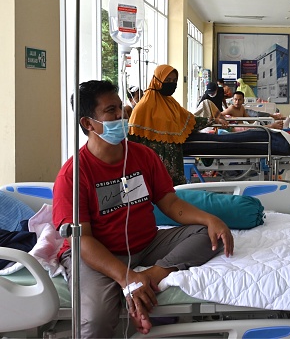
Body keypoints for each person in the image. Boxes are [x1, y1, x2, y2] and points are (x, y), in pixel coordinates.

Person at [52, 80, 234, 338]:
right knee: (96, 320)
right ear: (88, 123)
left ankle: (154, 274)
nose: (122, 115)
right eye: (111, 110)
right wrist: (125, 277)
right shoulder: (73, 175)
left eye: (121, 108)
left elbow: (170, 203)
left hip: (146, 243)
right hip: (95, 252)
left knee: (208, 235)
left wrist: (211, 219)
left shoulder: (143, 156)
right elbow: (82, 241)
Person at [128, 64, 196, 186]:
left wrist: (214, 120)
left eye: (174, 81)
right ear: (157, 80)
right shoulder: (143, 106)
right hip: (155, 161)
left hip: (175, 159)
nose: (172, 83)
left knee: (176, 194)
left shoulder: (171, 102)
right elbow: (133, 139)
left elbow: (189, 119)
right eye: (167, 80)